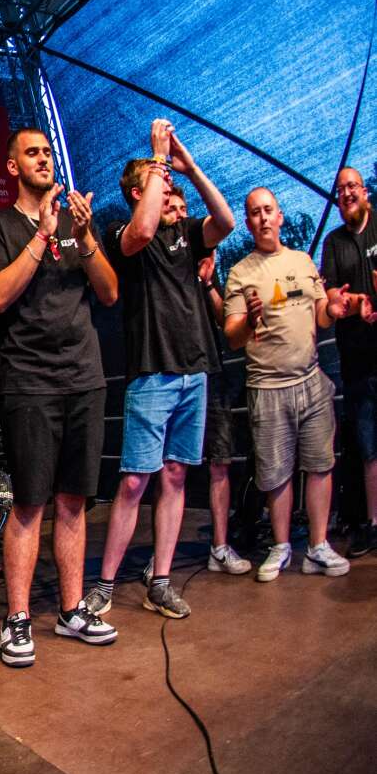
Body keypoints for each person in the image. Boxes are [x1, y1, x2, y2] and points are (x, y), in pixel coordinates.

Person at [0, 127, 119, 668]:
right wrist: (40, 236)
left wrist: (85, 238)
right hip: (29, 382)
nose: (44, 158)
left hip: (84, 377)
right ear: (12, 166)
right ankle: (17, 618)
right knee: (31, 502)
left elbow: (107, 292)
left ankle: (71, 608)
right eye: (32, 153)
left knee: (75, 501)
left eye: (47, 152)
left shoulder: (79, 223)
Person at [86, 120, 234, 621]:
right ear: (137, 189)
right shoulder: (123, 234)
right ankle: (105, 584)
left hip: (195, 372)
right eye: (161, 184)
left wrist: (188, 165)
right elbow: (144, 228)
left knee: (174, 476)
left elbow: (226, 221)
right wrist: (157, 159)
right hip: (152, 373)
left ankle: (162, 579)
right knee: (133, 482)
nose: (171, 192)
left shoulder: (190, 236)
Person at [224, 188, 352, 580]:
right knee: (275, 474)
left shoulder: (301, 261)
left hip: (312, 381)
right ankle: (280, 547)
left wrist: (333, 308)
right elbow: (232, 337)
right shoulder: (241, 273)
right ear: (248, 224)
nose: (263, 218)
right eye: (255, 213)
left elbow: (322, 316)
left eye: (268, 210)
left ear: (280, 216)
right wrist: (250, 320)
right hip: (268, 387)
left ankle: (317, 547)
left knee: (320, 465)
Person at [173, 188, 254, 575]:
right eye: (171, 208)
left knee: (220, 460)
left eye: (183, 209)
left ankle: (220, 546)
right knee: (171, 468)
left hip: (211, 372)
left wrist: (207, 284)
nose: (179, 214)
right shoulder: (156, 260)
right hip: (172, 372)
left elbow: (224, 323)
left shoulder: (204, 256)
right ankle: (162, 557)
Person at [319, 166, 377, 557]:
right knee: (368, 443)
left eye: (352, 186)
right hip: (358, 359)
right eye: (339, 189)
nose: (346, 193)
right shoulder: (333, 242)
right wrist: (358, 303)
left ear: (365, 191)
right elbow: (333, 298)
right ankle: (372, 524)